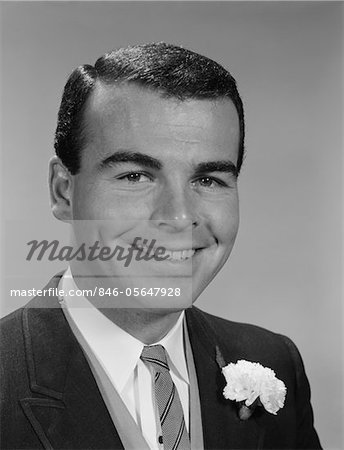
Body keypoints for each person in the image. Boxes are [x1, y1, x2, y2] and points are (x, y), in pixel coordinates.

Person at [0, 42, 321, 449]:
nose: (178, 215)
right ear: (64, 191)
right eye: (136, 176)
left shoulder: (276, 362)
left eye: (208, 180)